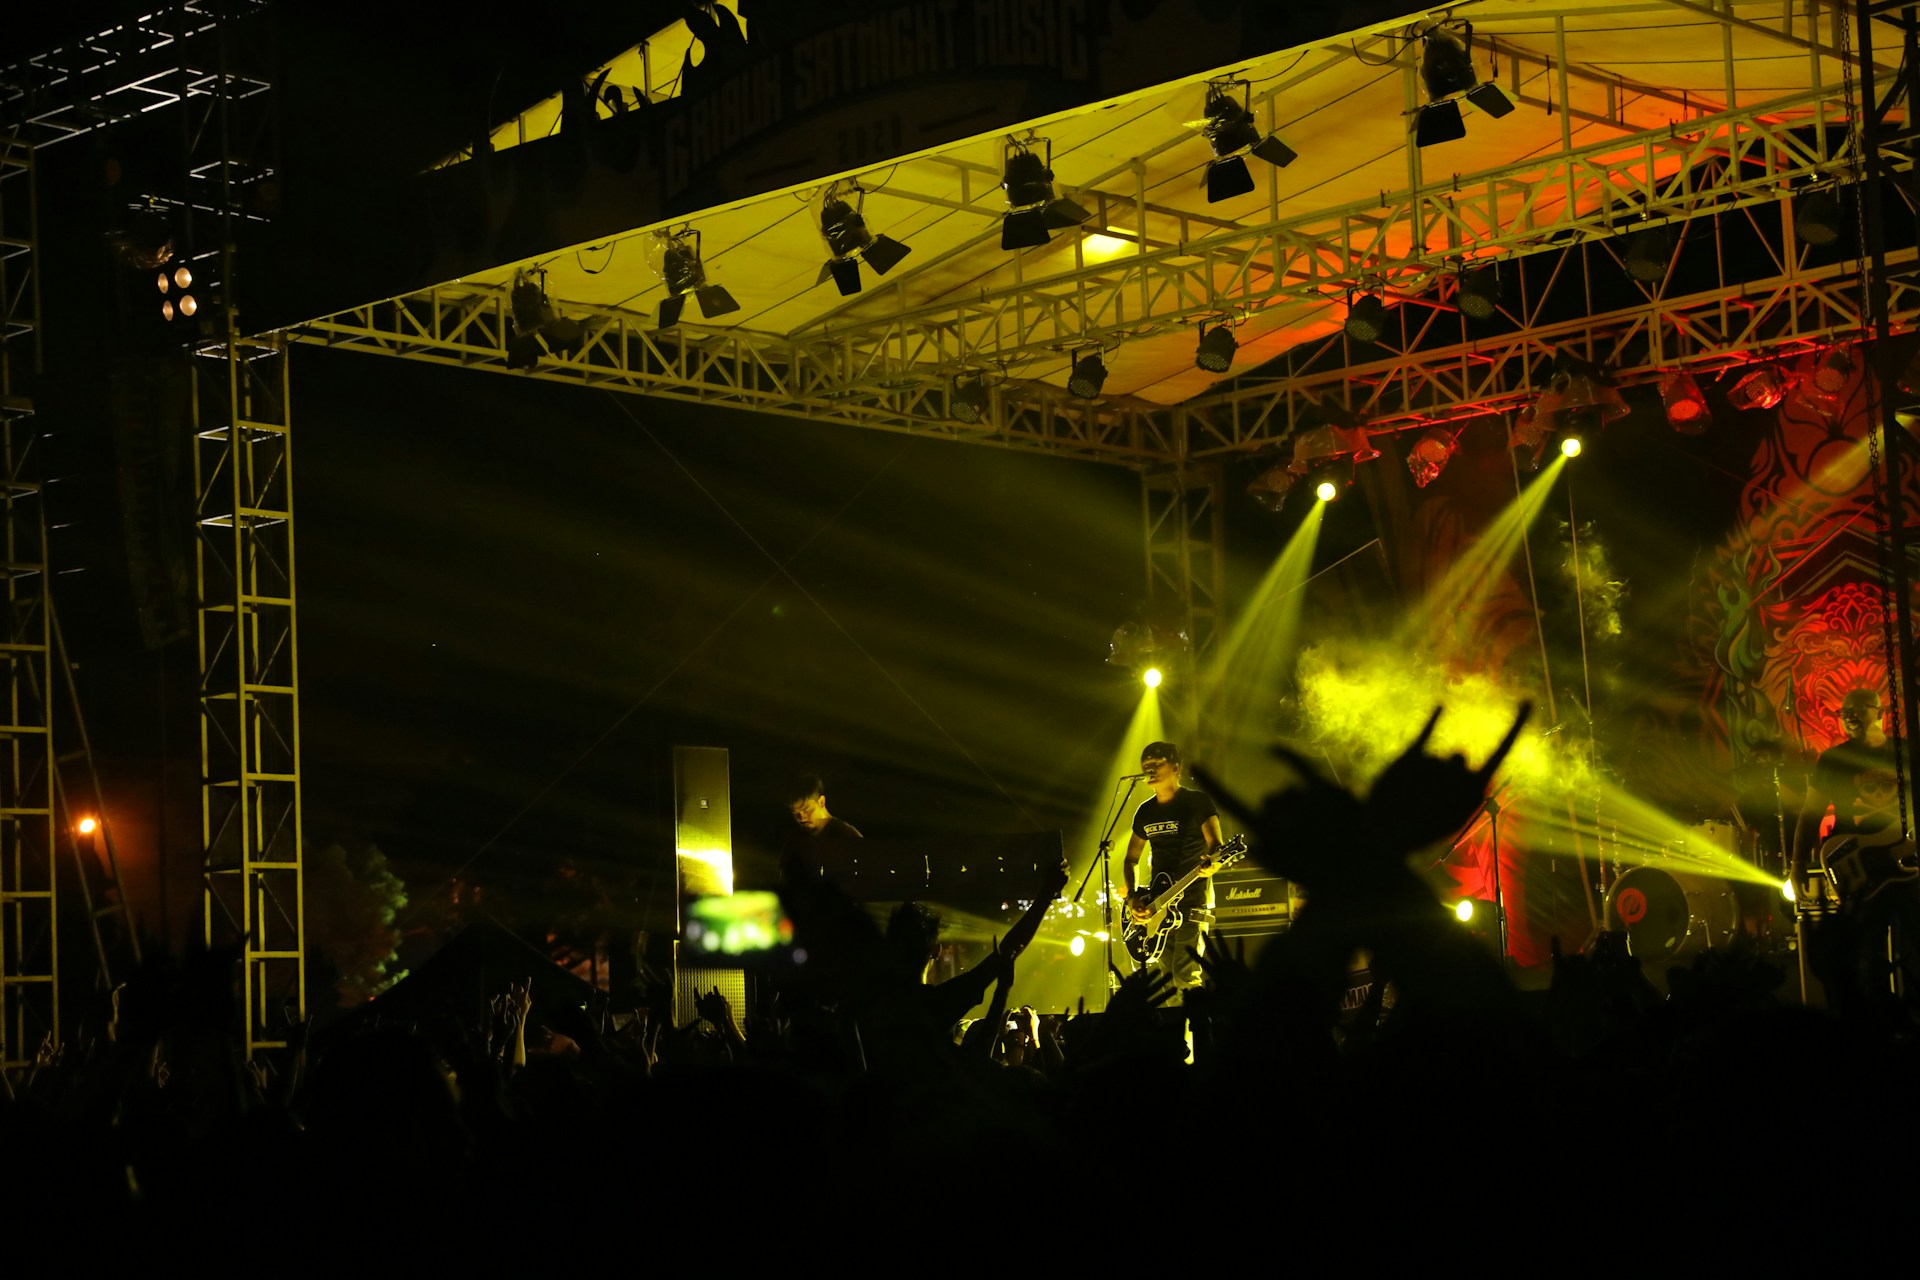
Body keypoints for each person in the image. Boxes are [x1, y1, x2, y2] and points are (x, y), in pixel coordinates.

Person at [1124, 740, 1222, 993]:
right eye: (1146, 765)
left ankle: (1198, 1031)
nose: (1150, 769)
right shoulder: (1145, 812)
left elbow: (1217, 846)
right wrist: (1134, 896)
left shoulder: (1197, 802)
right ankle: (1175, 1033)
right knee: (1166, 984)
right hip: (1159, 903)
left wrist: (1213, 864)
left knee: (1186, 977)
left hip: (1193, 901)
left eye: (1157, 764)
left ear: (1176, 768)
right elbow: (1131, 858)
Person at [786, 773, 863, 842]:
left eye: (806, 810)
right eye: (795, 813)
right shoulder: (797, 838)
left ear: (821, 802)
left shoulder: (848, 836)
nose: (802, 818)